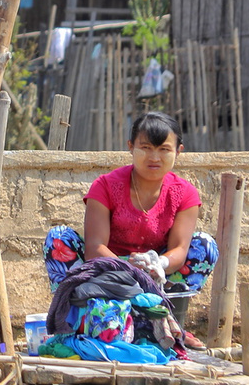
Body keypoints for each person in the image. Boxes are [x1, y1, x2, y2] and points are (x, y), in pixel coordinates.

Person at [43, 111, 217, 295]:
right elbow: (94, 248)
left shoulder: (185, 193)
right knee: (59, 236)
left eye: (164, 149)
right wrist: (129, 268)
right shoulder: (105, 186)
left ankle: (164, 306)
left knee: (205, 245)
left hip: (157, 276)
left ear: (178, 151)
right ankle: (79, 310)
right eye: (146, 147)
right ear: (131, 147)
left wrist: (159, 263)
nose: (154, 157)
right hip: (106, 275)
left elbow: (179, 250)